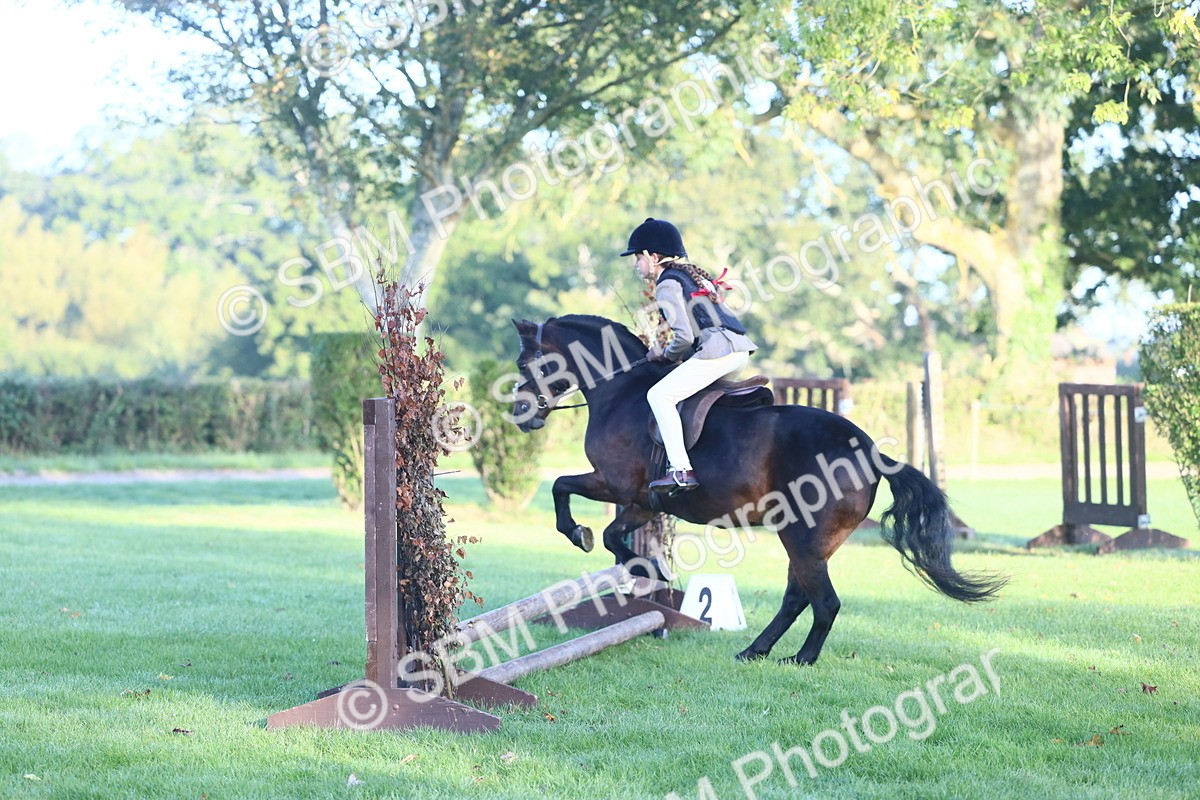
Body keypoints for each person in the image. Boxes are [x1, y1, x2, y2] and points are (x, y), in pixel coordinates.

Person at [621, 218, 757, 493]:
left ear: (652, 256)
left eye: (637, 257)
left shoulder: (666, 284)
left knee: (659, 396)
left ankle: (681, 469)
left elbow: (682, 336)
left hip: (716, 352)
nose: (635, 264)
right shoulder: (694, 276)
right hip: (739, 350)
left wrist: (665, 354)